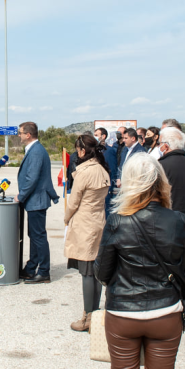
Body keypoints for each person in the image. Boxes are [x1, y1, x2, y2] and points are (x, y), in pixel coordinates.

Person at [95, 153, 185, 369]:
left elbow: (102, 272)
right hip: (165, 312)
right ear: (160, 181)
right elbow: (184, 264)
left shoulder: (118, 221)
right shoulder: (178, 219)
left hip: (123, 314)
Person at [65, 133, 111, 332]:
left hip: (84, 224)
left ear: (83, 151)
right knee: (97, 272)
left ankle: (87, 316)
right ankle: (95, 313)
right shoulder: (102, 170)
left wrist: (66, 218)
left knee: (86, 273)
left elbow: (73, 202)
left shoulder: (84, 173)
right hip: (99, 222)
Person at [16, 122, 59, 284]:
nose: (19, 135)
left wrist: (20, 196)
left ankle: (43, 271)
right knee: (33, 235)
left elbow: (31, 178)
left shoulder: (36, 151)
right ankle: (30, 267)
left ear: (28, 135)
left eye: (20, 133)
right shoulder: (34, 149)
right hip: (34, 200)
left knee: (38, 236)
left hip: (37, 200)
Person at [156, 127, 185, 213]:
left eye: (159, 143)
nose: (158, 146)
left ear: (166, 146)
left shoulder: (160, 166)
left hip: (167, 216)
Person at [96, 127, 118, 201]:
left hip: (106, 187)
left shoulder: (109, 151)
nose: (95, 137)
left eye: (96, 135)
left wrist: (110, 188)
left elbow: (112, 169)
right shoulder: (95, 151)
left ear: (103, 136)